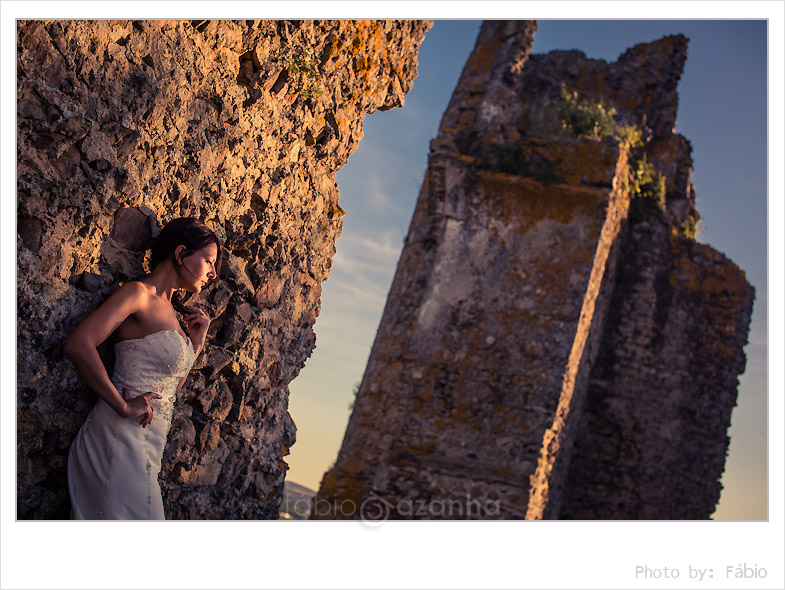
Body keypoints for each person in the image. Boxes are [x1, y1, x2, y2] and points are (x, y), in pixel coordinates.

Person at [65, 217, 222, 519]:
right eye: (208, 261)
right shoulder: (138, 294)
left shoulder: (176, 316)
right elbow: (79, 344)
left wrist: (196, 344)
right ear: (180, 254)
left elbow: (170, 391)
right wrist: (122, 405)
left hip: (150, 447)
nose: (213, 274)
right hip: (118, 437)